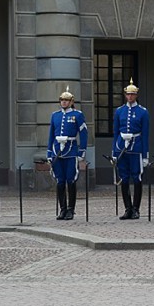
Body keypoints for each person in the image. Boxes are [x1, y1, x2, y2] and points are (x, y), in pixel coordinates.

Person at [47, 86, 88, 220]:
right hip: (57, 151)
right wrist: (49, 153)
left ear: (71, 102)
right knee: (60, 181)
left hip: (71, 150)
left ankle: (71, 209)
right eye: (62, 100)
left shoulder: (77, 115)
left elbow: (84, 133)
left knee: (70, 180)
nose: (64, 102)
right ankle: (62, 209)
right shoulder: (55, 115)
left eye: (66, 100)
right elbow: (51, 135)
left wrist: (82, 151)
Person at [112, 78, 150, 220]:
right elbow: (115, 133)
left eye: (132, 94)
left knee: (137, 177)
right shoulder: (119, 111)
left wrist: (145, 155)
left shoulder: (143, 112)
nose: (130, 97)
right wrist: (114, 152)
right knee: (124, 178)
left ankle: (136, 208)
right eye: (128, 94)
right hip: (122, 147)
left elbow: (145, 134)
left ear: (136, 95)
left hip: (136, 147)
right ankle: (127, 208)